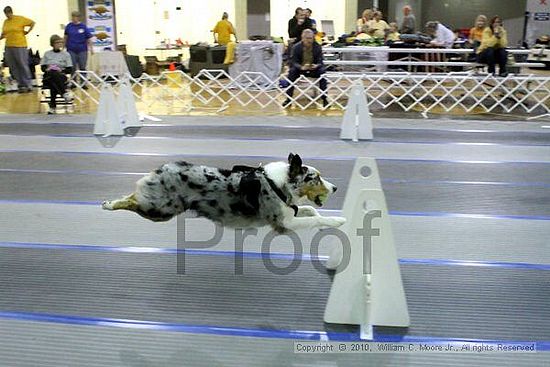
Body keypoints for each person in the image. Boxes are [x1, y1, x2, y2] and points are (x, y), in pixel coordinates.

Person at [283, 29, 327, 108]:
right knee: (291, 72)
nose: (309, 40)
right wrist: (301, 67)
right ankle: (288, 99)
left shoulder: (317, 47)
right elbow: (293, 61)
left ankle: (325, 99)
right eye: (307, 38)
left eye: (310, 38)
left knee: (322, 72)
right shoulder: (296, 47)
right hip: (300, 69)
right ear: (302, 38)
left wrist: (316, 65)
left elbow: (320, 60)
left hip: (314, 69)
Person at [0, 6, 35, 93]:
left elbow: (32, 23)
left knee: (22, 64)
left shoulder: (20, 19)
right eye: (6, 14)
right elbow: (4, 33)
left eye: (8, 13)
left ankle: (28, 84)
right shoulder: (5, 22)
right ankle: (21, 84)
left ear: (11, 12)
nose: (7, 15)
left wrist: (27, 32)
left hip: (20, 45)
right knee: (13, 66)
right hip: (9, 46)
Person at [41, 35, 73, 114]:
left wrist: (60, 70)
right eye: (57, 42)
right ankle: (64, 93)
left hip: (61, 75)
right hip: (48, 75)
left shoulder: (66, 54)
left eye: (60, 42)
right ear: (52, 44)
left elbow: (69, 69)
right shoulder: (47, 54)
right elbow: (43, 67)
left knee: (54, 80)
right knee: (52, 74)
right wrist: (47, 69)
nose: (59, 44)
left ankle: (52, 107)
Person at [64, 11, 93, 88]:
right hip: (71, 49)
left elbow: (89, 38)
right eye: (73, 17)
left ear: (79, 18)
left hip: (82, 49)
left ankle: (84, 83)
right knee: (72, 66)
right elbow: (65, 37)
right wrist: (63, 47)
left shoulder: (83, 27)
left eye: (76, 17)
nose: (74, 18)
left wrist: (91, 48)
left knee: (82, 66)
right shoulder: (69, 26)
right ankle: (73, 82)